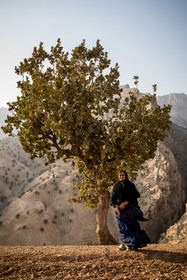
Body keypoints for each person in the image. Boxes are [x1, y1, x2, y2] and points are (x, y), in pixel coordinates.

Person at [111, 170, 150, 250]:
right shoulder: (116, 187)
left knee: (131, 226)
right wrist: (116, 207)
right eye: (120, 175)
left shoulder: (130, 186)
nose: (121, 177)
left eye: (123, 175)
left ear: (126, 176)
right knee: (122, 227)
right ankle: (126, 243)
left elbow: (134, 198)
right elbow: (113, 200)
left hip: (130, 210)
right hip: (120, 211)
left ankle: (132, 244)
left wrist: (125, 203)